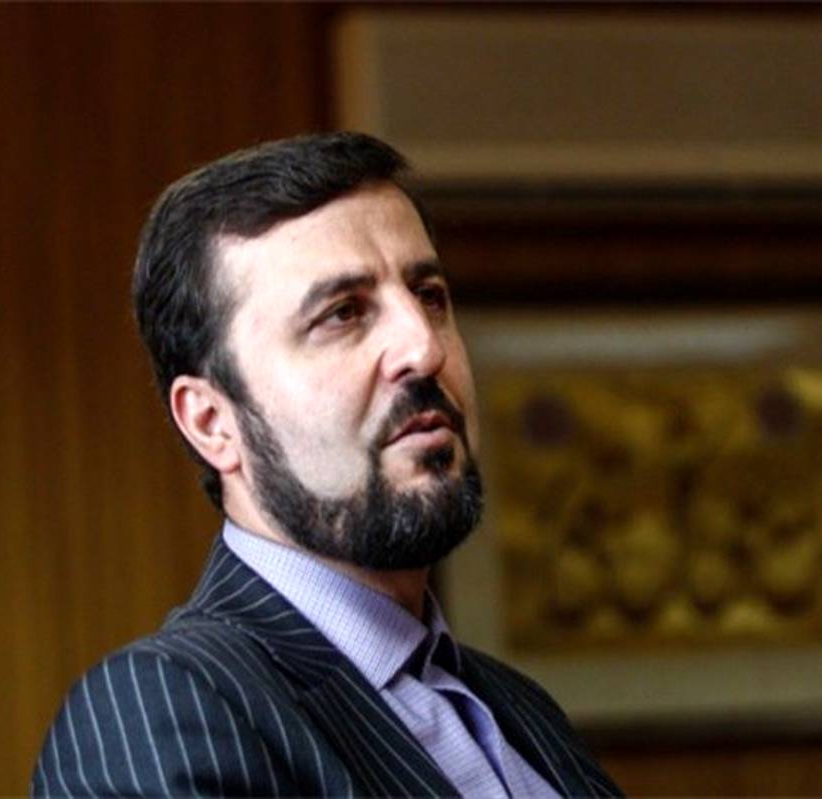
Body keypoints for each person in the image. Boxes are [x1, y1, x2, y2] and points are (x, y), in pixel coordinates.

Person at [32, 132, 621, 797]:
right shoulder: (161, 708)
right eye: (343, 314)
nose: (424, 349)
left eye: (429, 295)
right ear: (213, 422)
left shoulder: (519, 709)